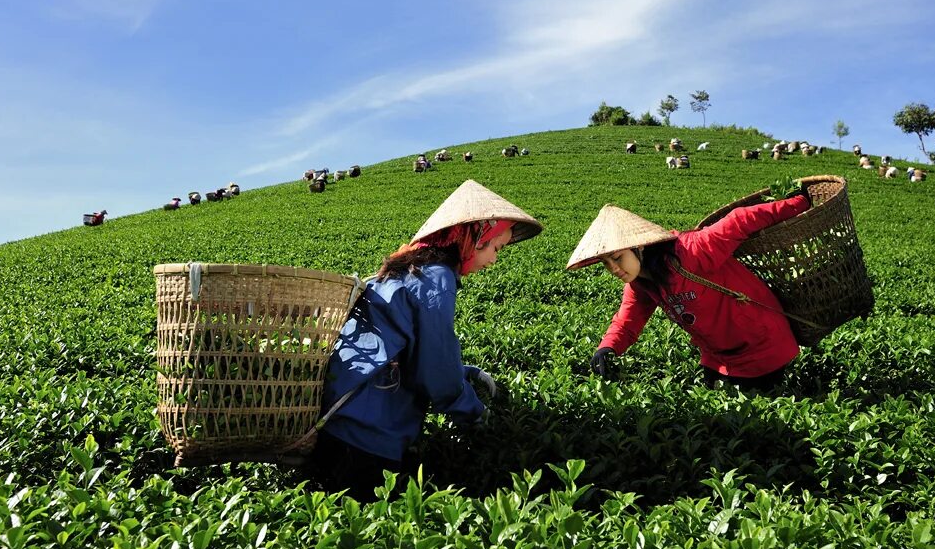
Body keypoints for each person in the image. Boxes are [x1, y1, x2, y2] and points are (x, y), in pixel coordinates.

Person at [311, 179, 542, 499]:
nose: (494, 260)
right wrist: (475, 412)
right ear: (476, 234)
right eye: (495, 247)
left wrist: (464, 372)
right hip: (370, 435)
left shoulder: (408, 268)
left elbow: (404, 347)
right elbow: (433, 369)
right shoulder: (437, 277)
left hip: (339, 423)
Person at [566, 191, 810, 393]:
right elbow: (627, 321)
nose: (614, 269)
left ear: (638, 246)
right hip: (718, 354)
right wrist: (607, 347)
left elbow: (740, 220)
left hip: (761, 344)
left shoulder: (691, 251)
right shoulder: (640, 283)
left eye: (617, 258)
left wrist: (800, 203)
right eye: (606, 264)